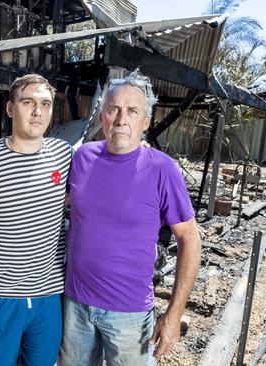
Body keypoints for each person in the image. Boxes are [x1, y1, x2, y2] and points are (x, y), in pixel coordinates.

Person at [60, 70, 202, 365]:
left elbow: (189, 238)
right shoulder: (83, 158)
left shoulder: (162, 169)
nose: (121, 118)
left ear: (145, 122)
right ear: (102, 118)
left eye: (132, 110)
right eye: (113, 109)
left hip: (129, 315)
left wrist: (174, 314)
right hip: (75, 306)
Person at [0, 74, 71, 366]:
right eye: (28, 102)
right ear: (10, 109)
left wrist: (140, 148)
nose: (38, 112)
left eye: (45, 104)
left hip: (48, 295)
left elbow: (103, 168)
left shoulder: (64, 155)